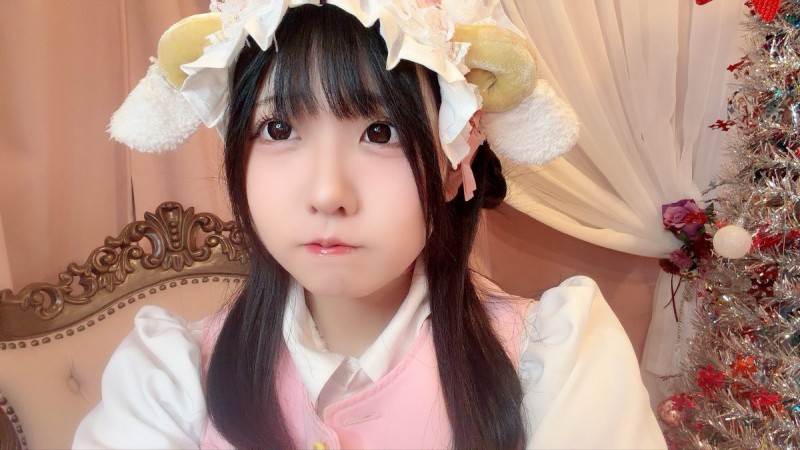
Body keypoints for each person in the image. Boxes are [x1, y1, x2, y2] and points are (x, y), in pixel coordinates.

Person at [73, 1, 666, 449]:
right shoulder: (168, 381)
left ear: (455, 160)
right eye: (279, 129)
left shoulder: (557, 364)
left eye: (380, 132)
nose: (328, 193)